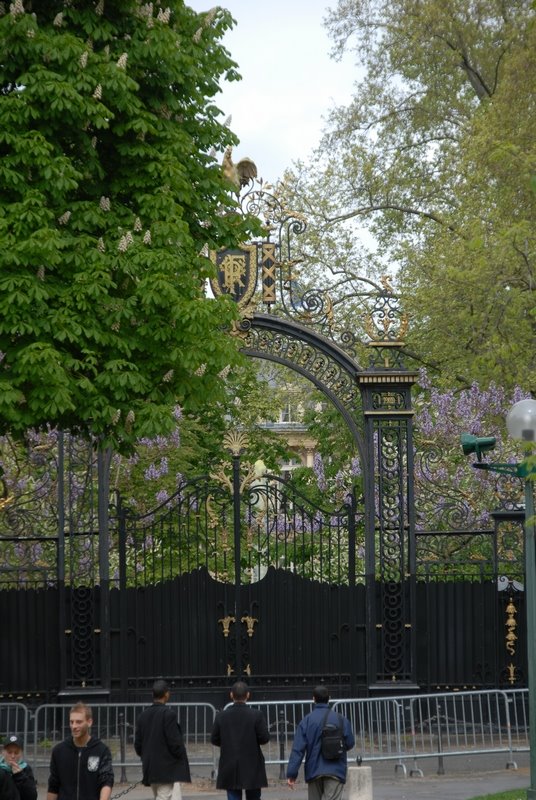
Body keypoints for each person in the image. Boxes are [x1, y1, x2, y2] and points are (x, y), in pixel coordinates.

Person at [286, 685, 355, 800]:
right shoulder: (341, 719)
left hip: (314, 770)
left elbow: (298, 749)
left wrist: (292, 773)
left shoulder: (307, 721)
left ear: (313, 699)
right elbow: (350, 743)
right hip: (336, 769)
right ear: (329, 698)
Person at [210, 680, 270, 800]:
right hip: (252, 763)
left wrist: (227, 743)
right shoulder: (256, 715)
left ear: (231, 695)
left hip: (230, 762)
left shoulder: (221, 716)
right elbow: (264, 738)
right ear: (248, 695)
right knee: (254, 796)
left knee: (233, 795)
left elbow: (214, 739)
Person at [134, 679, 191, 800]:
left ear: (152, 694)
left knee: (159, 796)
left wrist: (146, 756)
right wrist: (180, 758)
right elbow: (175, 743)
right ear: (167, 694)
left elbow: (138, 745)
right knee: (164, 797)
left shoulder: (142, 716)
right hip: (167, 768)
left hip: (150, 766)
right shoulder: (168, 715)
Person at [46, 702, 114, 800]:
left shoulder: (101, 750)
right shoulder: (59, 751)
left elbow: (106, 780)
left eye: (78, 722)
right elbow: (53, 784)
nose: (74, 726)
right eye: (71, 722)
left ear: (89, 722)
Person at [0, 735, 37, 800]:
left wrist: (20, 776)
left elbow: (32, 796)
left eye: (16, 752)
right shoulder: (1, 770)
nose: (13, 756)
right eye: (9, 752)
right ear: (3, 752)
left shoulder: (26, 768)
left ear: (21, 753)